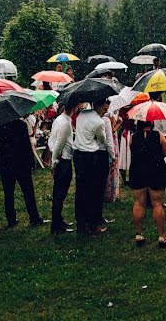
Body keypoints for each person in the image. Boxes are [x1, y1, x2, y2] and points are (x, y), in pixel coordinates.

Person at [0, 118, 44, 229]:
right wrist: (31, 162)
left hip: (6, 162)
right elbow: (26, 145)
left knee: (8, 192)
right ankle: (34, 217)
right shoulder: (21, 124)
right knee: (28, 191)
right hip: (21, 162)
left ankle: (11, 219)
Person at [72, 100, 114, 235]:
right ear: (97, 106)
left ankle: (81, 224)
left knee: (81, 190)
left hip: (78, 155)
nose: (105, 113)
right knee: (93, 191)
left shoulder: (82, 114)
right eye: (104, 110)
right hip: (90, 157)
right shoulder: (99, 122)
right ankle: (92, 224)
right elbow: (102, 139)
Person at [130, 120, 166, 248]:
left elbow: (133, 149)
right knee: (157, 203)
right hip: (155, 170)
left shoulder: (133, 136)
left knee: (138, 202)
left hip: (138, 171)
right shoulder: (158, 135)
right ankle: (161, 236)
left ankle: (139, 234)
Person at [49, 101, 77, 234]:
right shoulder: (65, 123)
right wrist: (54, 163)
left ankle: (59, 221)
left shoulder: (59, 119)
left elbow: (52, 140)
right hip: (63, 161)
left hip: (60, 159)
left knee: (58, 194)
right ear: (75, 107)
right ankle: (56, 226)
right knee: (60, 195)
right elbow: (59, 144)